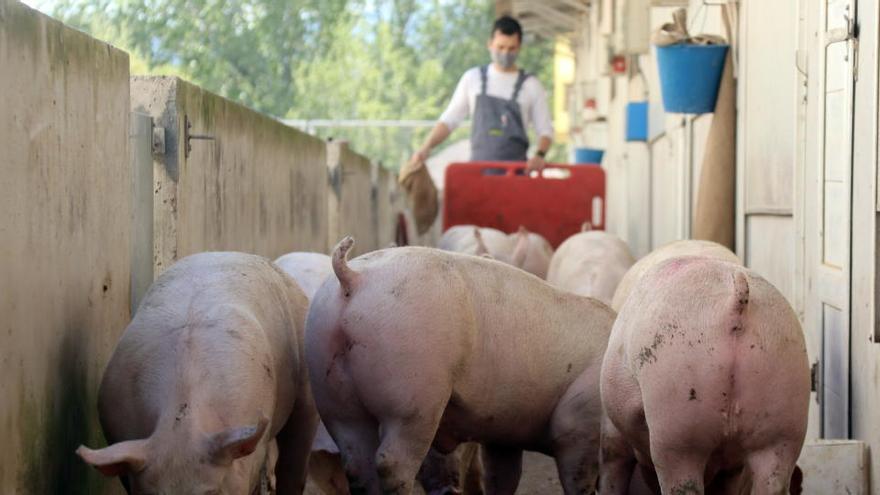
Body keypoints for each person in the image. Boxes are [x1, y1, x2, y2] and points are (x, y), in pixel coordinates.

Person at [410, 15, 554, 171]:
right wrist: (426, 147)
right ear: (490, 44)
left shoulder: (531, 85)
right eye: (500, 47)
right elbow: (450, 120)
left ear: (519, 47)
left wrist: (539, 155)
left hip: (516, 177)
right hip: (478, 174)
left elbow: (545, 130)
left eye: (511, 48)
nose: (505, 53)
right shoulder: (473, 79)